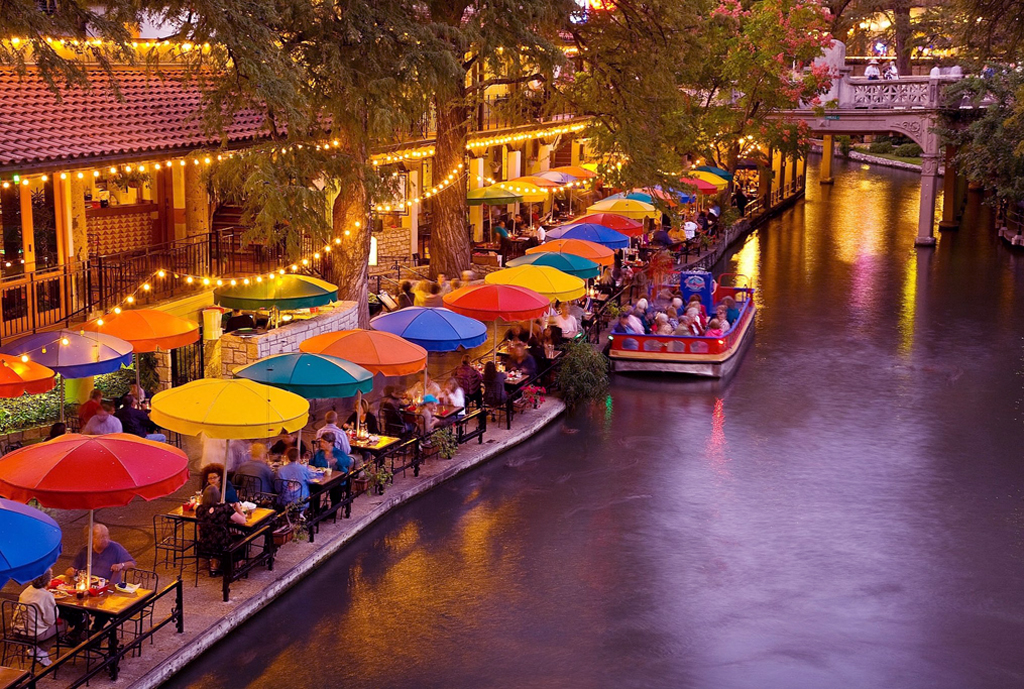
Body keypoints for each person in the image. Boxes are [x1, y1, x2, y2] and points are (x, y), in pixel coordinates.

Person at [15, 569, 63, 666]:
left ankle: (35, 649)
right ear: (48, 580)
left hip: (17, 629)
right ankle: (41, 651)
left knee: (42, 623)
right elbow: (51, 620)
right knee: (63, 625)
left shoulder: (27, 590)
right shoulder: (46, 595)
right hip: (33, 633)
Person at [67, 523, 136, 586]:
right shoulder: (84, 551)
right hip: (86, 585)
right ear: (92, 538)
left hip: (108, 587)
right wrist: (70, 571)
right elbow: (71, 569)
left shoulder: (116, 548)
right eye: (101, 537)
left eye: (106, 536)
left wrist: (121, 565)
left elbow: (132, 565)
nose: (105, 540)